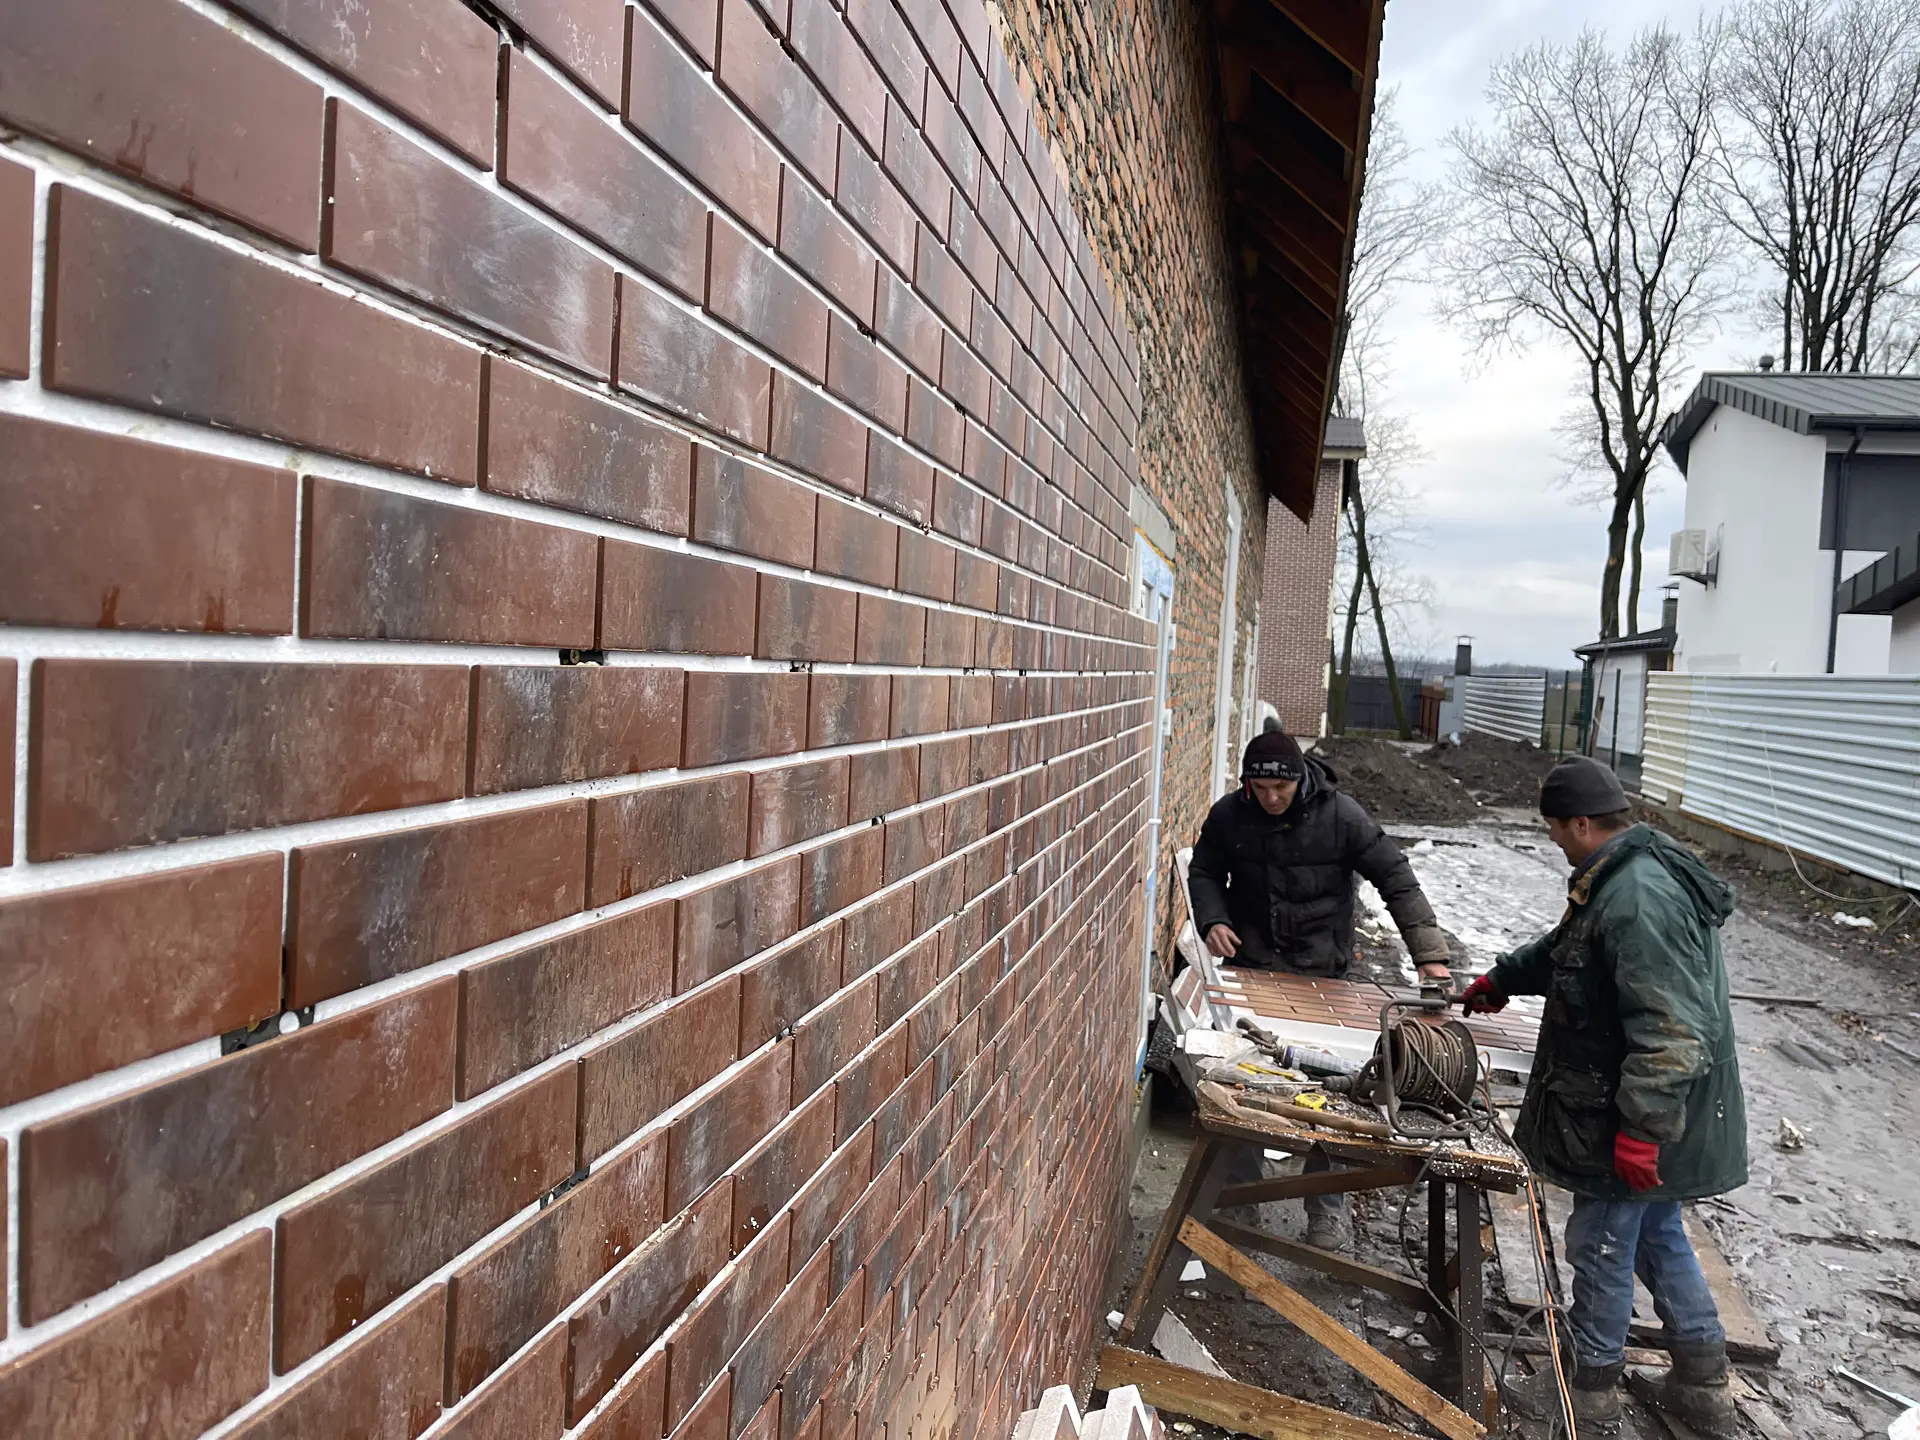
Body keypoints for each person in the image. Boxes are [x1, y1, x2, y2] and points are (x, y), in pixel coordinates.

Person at [1462, 755, 1746, 1436]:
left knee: (1602, 1241)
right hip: (1652, 1106)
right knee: (1656, 1236)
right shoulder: (1618, 879)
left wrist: (1643, 1128)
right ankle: (1703, 1383)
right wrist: (1504, 978)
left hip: (1645, 1108)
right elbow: (1570, 949)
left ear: (1582, 823)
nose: (1555, 842)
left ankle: (1588, 1391)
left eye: (1556, 831)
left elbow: (1672, 1028)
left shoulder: (1639, 897)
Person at [1187, 729, 1453, 1250]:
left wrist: (1431, 957)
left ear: (1299, 780)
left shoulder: (1342, 816)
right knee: (1248, 1083)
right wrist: (1212, 919)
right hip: (1254, 964)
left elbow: (1396, 879)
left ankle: (1325, 1207)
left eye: (1279, 790)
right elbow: (1203, 871)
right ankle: (1241, 1202)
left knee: (1329, 1087)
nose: (1269, 799)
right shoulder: (1229, 815)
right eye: (1259, 790)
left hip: (1323, 970)